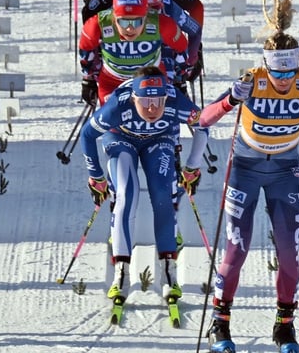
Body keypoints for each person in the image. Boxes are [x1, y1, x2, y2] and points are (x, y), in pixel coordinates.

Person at [197, 0, 299, 353]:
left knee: (289, 252)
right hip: (246, 169)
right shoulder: (252, 79)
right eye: (277, 73)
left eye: (289, 72)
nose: (284, 80)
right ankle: (220, 324)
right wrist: (231, 100)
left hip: (285, 170)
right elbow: (203, 119)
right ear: (266, 66)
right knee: (236, 249)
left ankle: (285, 326)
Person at [77, 66, 207, 315]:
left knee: (162, 196)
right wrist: (96, 177)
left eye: (158, 101)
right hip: (121, 138)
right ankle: (121, 273)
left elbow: (203, 126)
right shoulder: (118, 104)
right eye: (146, 101)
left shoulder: (175, 101)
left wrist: (192, 167)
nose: (152, 108)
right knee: (125, 195)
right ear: (134, 97)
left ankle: (168, 271)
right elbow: (87, 135)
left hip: (160, 139)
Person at [79, 0, 187, 104]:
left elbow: (181, 50)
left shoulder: (162, 23)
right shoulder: (97, 24)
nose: (130, 28)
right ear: (114, 17)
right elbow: (86, 53)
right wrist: (88, 80)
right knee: (112, 119)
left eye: (137, 21)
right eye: (123, 22)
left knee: (152, 117)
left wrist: (179, 80)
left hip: (152, 80)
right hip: (112, 81)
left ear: (145, 17)